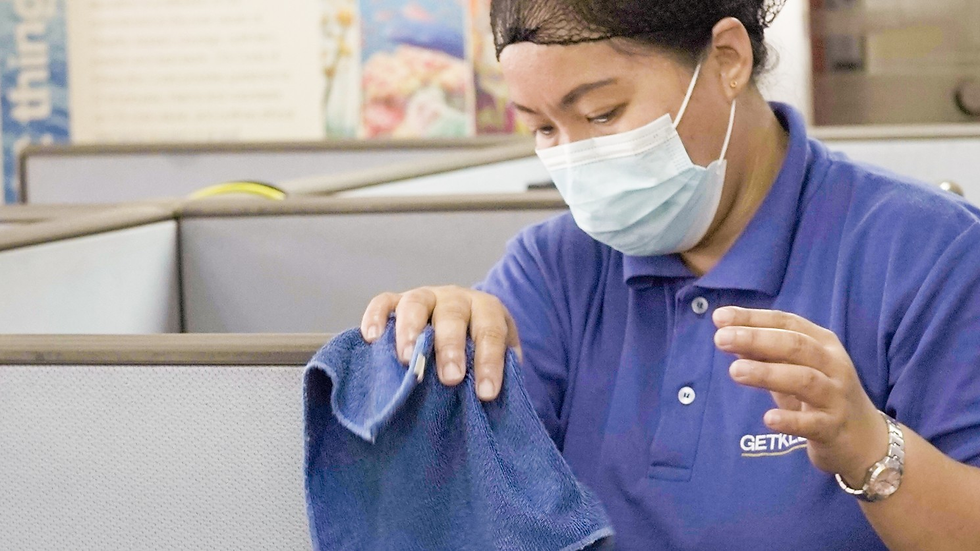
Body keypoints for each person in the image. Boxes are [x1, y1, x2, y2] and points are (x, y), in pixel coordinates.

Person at [359, 0, 980, 548]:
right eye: (542, 127)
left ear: (728, 60)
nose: (574, 156)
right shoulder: (553, 270)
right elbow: (468, 512)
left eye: (603, 114)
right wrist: (436, 351)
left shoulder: (927, 254)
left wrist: (868, 448)